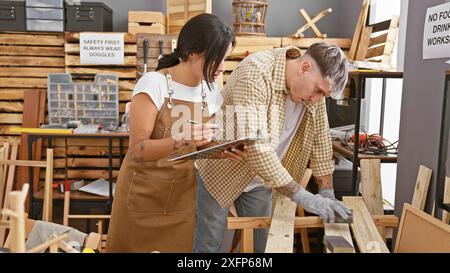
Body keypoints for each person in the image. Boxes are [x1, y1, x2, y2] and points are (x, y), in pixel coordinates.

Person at [194, 42, 352, 253]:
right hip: (222, 171)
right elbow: (257, 148)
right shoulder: (255, 73)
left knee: (265, 248)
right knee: (209, 246)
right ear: (304, 68)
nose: (316, 100)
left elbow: (321, 139)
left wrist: (327, 193)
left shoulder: (314, 93)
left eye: (323, 95)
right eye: (318, 91)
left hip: (263, 179)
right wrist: (304, 197)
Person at [106, 13, 244, 253]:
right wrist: (184, 139)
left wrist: (220, 151)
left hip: (181, 198)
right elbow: (138, 150)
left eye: (225, 58)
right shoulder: (154, 83)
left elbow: (197, 147)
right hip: (142, 197)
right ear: (192, 52)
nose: (222, 67)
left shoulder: (210, 93)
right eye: (217, 58)